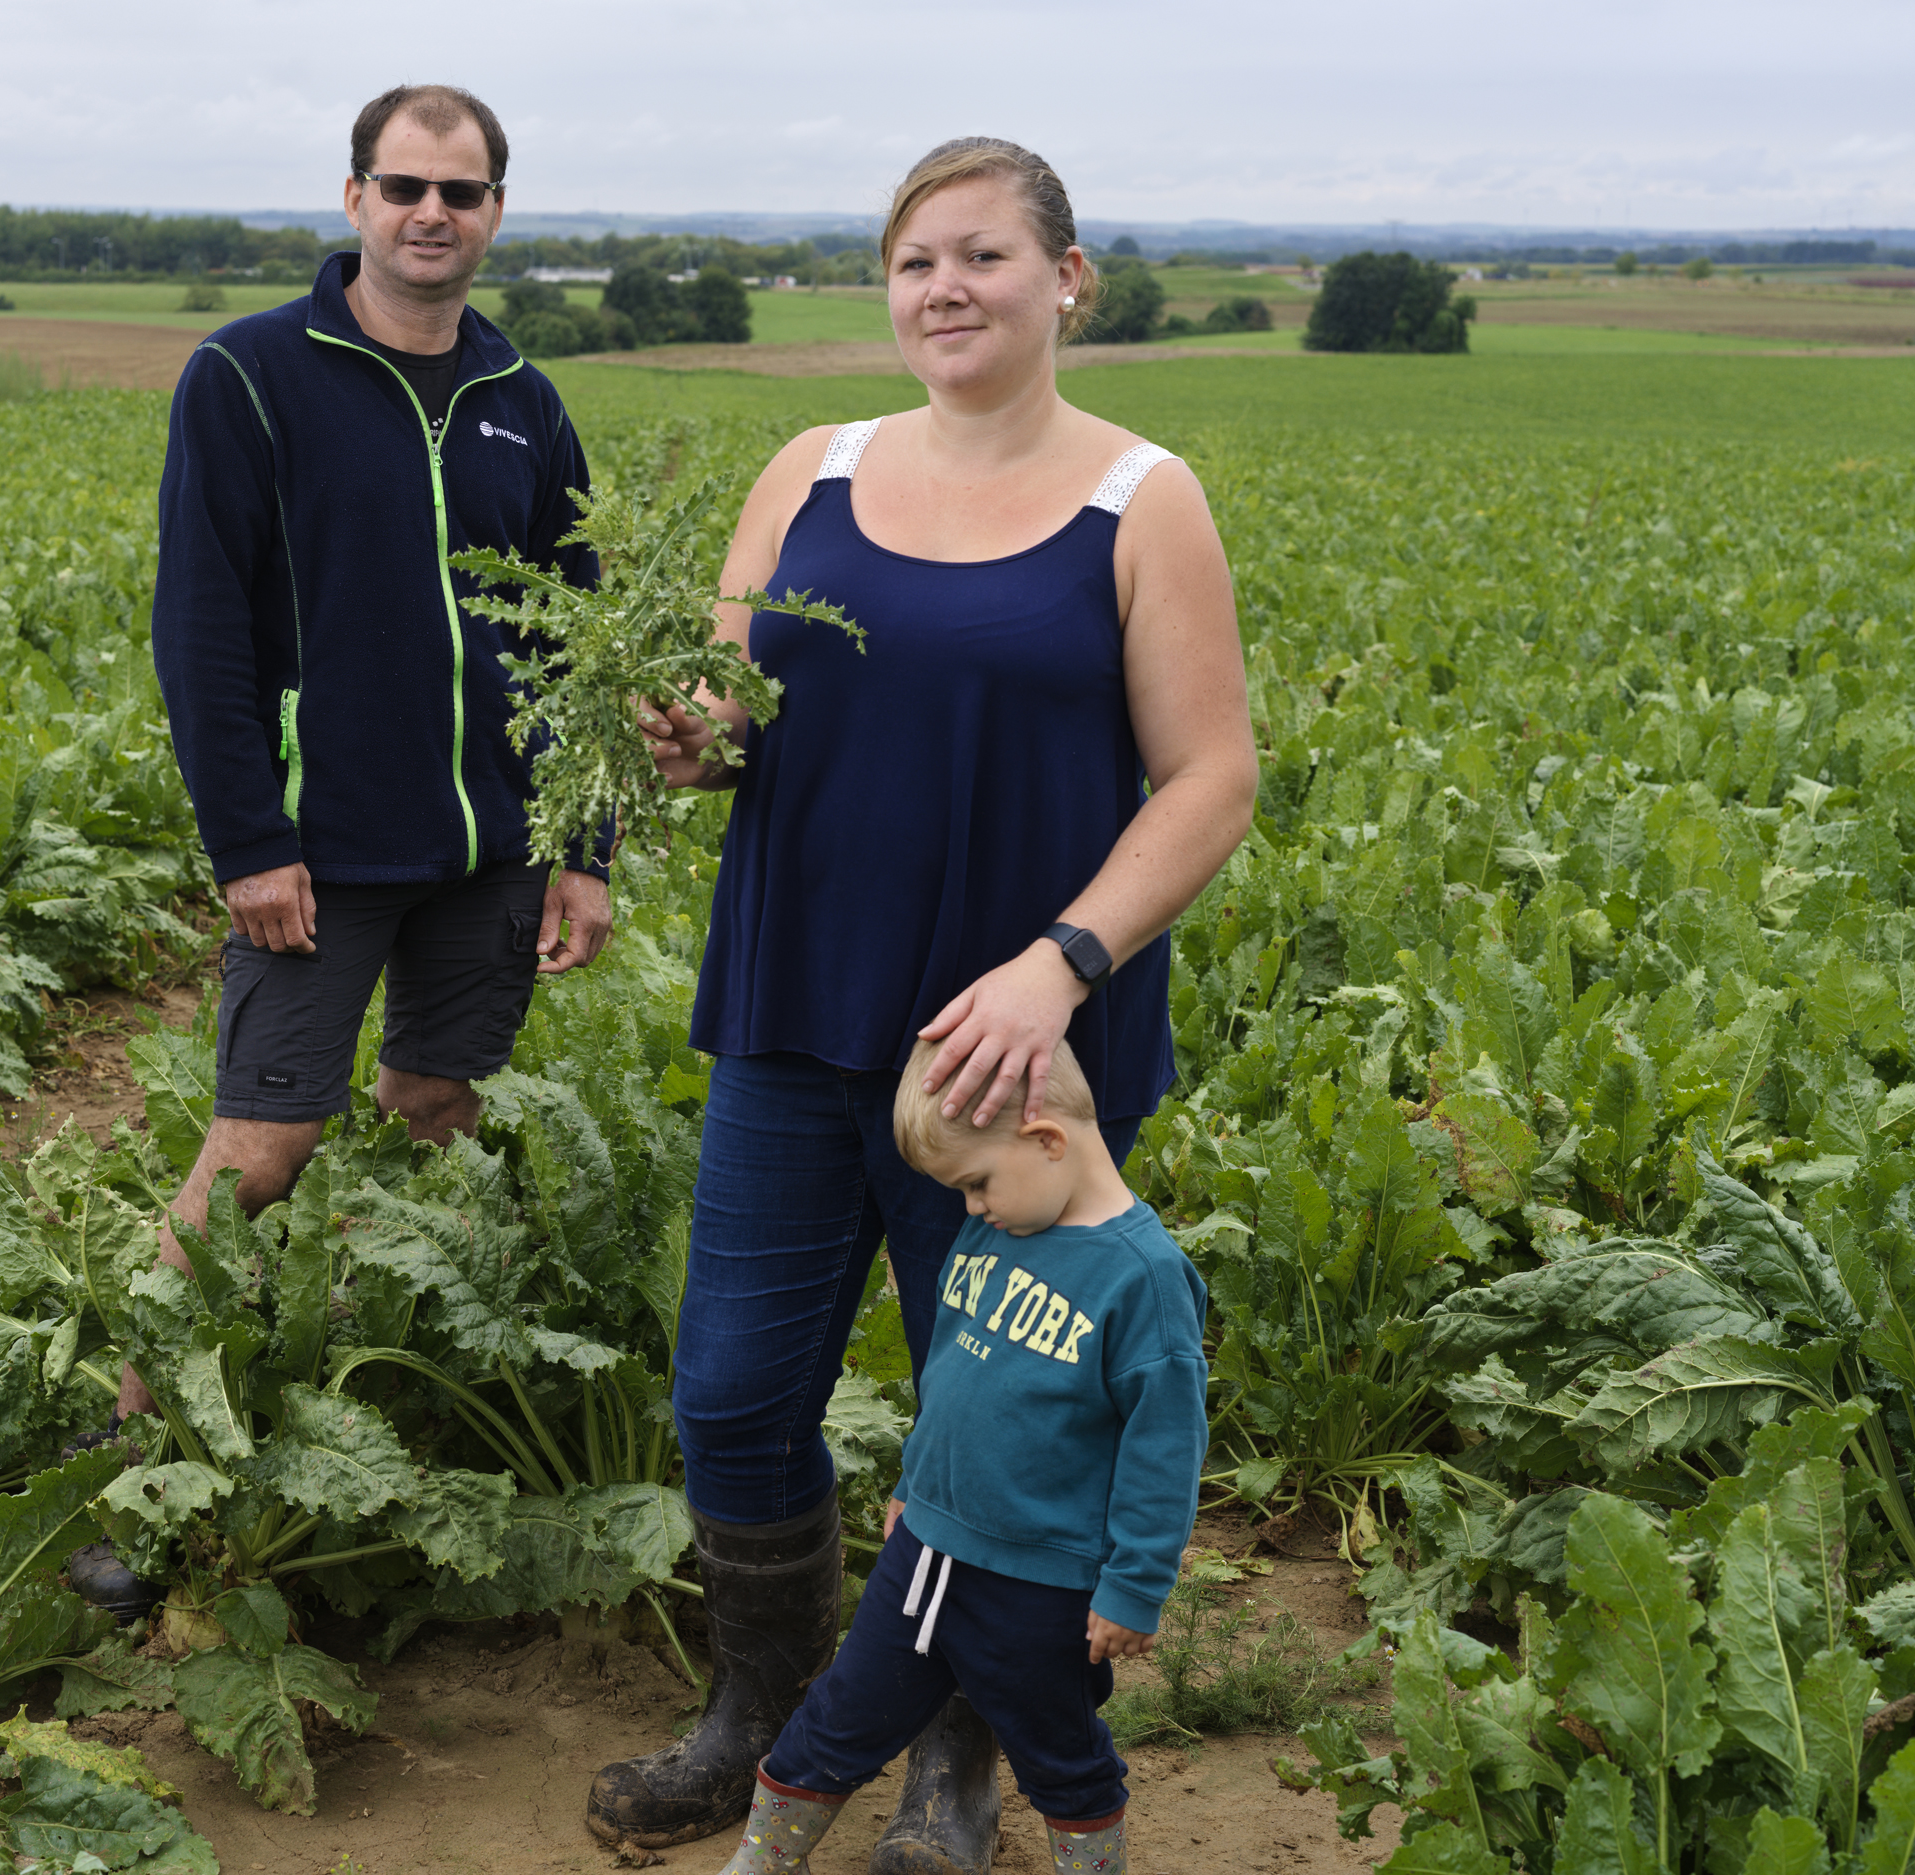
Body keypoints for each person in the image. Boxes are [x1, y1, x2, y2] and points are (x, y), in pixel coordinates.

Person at [588, 137, 1257, 1871]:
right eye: (913, 261)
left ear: (1066, 279)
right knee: (735, 1395)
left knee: (1013, 1430)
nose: (945, 288)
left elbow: (1210, 779)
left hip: (1017, 1062)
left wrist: (1059, 965)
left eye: (982, 254)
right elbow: (734, 711)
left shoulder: (1141, 499)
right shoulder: (811, 470)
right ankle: (763, 1710)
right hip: (798, 1010)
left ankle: (960, 1760)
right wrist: (693, 740)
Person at [67, 82, 615, 1618]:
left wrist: (582, 842)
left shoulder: (521, 395)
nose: (432, 213)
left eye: (461, 191)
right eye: (405, 186)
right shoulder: (250, 376)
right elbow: (200, 627)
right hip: (322, 849)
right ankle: (131, 1456)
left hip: (492, 850)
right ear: (357, 197)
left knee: (433, 1115)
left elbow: (576, 635)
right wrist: (249, 837)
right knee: (261, 1147)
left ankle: (347, 1424)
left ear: (496, 212)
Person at [710, 1036, 1206, 1875]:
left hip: (1038, 1585)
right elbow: (952, 1378)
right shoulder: (997, 1228)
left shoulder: (1144, 1280)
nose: (971, 1205)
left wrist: (1135, 1585)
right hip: (925, 1555)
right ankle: (758, 1863)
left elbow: (1165, 1450)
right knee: (837, 1715)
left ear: (1047, 1139)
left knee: (1061, 1752)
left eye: (977, 1181)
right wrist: (916, 1480)